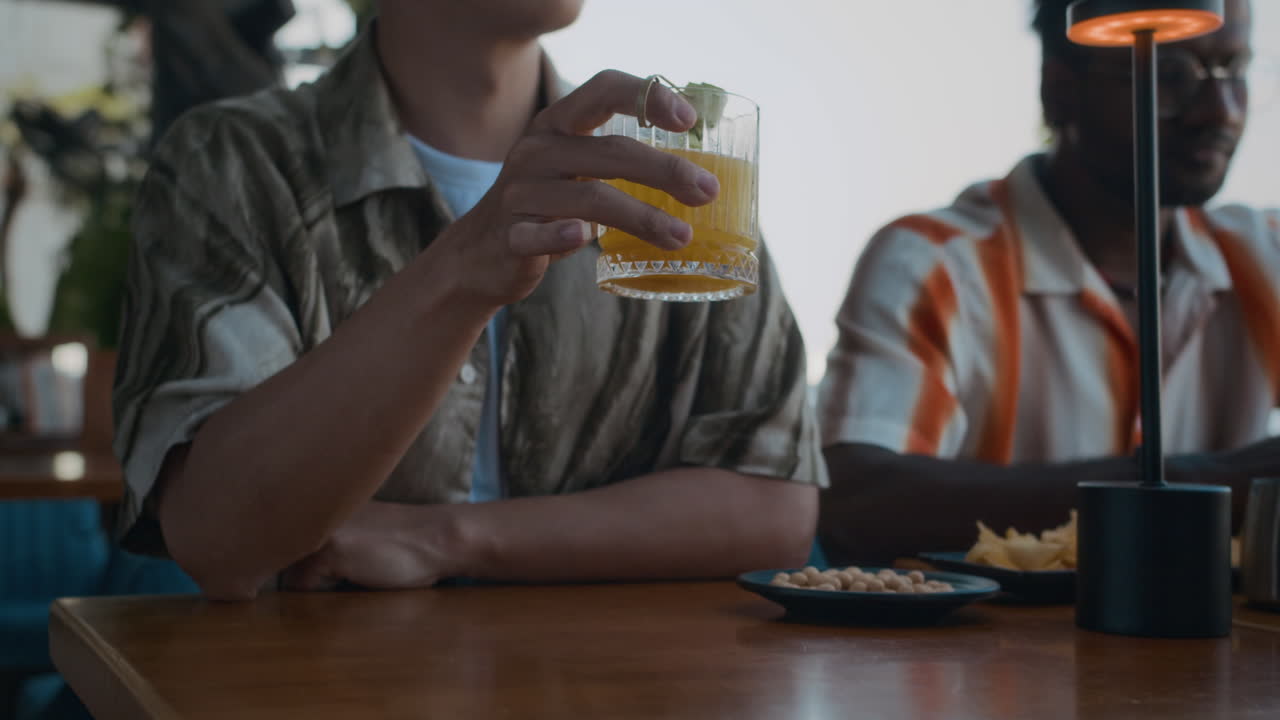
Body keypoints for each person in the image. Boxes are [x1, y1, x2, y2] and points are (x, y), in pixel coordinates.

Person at [114, 0, 824, 600]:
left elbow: (774, 505)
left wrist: (445, 540)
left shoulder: (673, 178)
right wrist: (457, 275)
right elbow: (217, 537)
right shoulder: (233, 161)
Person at [817, 0, 1278, 564]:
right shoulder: (936, 263)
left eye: (1235, 70)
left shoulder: (1264, 254)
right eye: (1169, 75)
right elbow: (854, 497)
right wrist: (1200, 485)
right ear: (1059, 90)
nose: (1221, 111)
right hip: (986, 652)